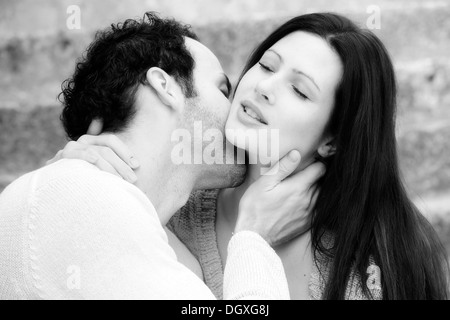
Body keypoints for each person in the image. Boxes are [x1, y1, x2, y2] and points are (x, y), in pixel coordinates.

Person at [56, 13, 449, 300]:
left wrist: (251, 240)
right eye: (266, 65)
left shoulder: (373, 262)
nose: (263, 87)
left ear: (333, 139)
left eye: (300, 91)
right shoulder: (177, 200)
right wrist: (81, 172)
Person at [0, 13, 321, 300]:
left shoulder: (97, 203)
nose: (238, 108)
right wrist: (254, 235)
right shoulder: (84, 198)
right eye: (223, 90)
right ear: (164, 85)